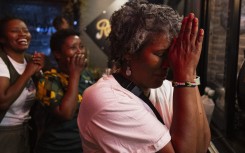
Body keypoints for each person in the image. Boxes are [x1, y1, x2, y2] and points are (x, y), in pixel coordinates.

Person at [77, 0, 211, 153]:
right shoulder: (104, 99)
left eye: (172, 54)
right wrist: (185, 75)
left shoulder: (168, 88)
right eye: (160, 54)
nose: (169, 63)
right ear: (129, 52)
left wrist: (190, 70)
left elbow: (202, 143)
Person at [35, 28, 94, 153]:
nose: (80, 52)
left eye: (81, 47)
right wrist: (75, 74)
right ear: (58, 54)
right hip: (56, 147)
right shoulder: (48, 80)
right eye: (73, 48)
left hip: (83, 146)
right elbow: (65, 114)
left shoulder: (87, 75)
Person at [0, 16, 45, 153]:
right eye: (15, 31)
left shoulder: (29, 60)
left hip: (26, 130)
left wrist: (38, 74)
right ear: (1, 38)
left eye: (25, 30)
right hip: (5, 132)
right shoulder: (1, 61)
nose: (23, 34)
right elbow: (3, 102)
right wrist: (28, 72)